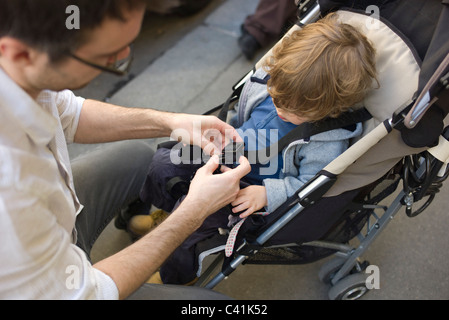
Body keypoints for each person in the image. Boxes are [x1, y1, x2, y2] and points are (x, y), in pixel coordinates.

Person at [0, 0, 251, 300]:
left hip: (51, 233)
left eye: (128, 45)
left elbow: (68, 112)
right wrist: (193, 211)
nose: (121, 57)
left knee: (137, 156)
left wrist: (171, 122)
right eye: (107, 57)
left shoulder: (21, 64)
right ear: (20, 54)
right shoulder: (12, 190)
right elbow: (89, 294)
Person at [139, 13, 379, 284]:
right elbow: (242, 119)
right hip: (229, 152)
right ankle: (167, 216)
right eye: (278, 97)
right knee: (164, 162)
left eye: (293, 110)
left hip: (250, 189)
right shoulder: (269, 84)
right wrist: (222, 135)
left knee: (196, 218)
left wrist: (267, 194)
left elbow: (309, 183)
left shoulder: (326, 138)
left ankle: (175, 277)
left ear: (330, 109)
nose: (280, 109)